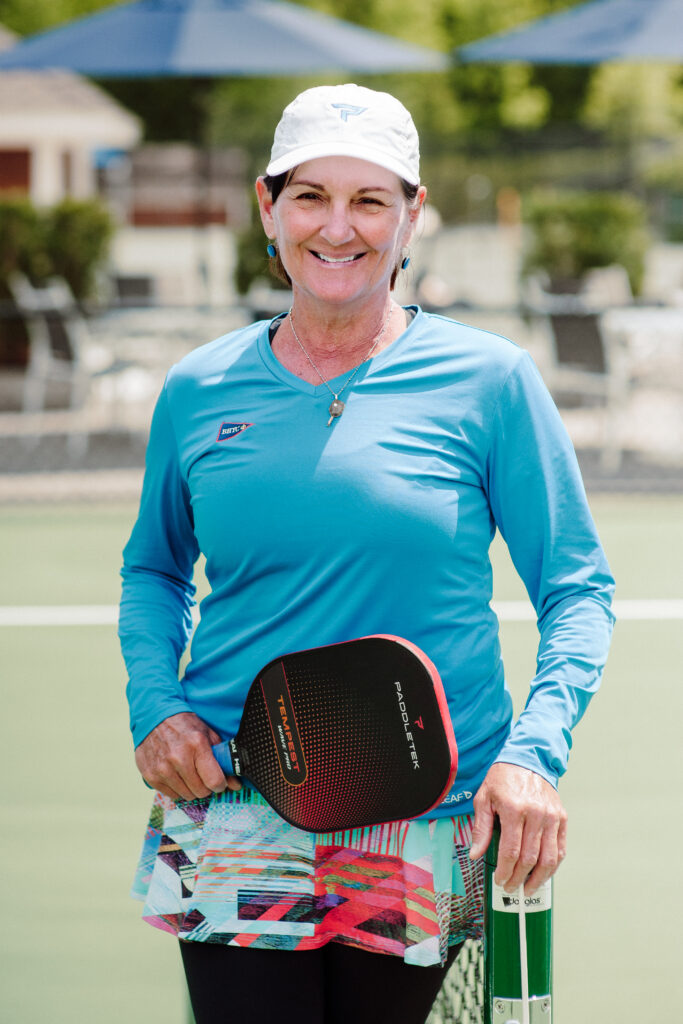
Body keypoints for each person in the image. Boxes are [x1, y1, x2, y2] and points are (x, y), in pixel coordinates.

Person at [119, 83, 614, 1024]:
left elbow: (577, 587)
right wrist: (157, 707)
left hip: (427, 812)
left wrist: (534, 756)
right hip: (238, 803)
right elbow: (153, 568)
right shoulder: (195, 390)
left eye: (370, 200)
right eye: (310, 195)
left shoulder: (491, 381)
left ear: (411, 216)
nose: (336, 227)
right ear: (268, 207)